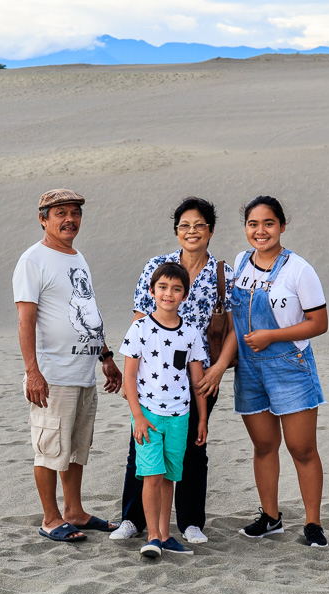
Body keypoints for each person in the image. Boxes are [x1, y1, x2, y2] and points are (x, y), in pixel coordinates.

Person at [110, 196, 236, 544]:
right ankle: (132, 519)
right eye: (184, 225)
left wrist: (220, 369)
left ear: (210, 230)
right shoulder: (158, 265)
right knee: (142, 444)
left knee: (194, 447)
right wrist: (131, 374)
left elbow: (236, 327)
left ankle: (191, 522)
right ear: (176, 230)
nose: (191, 231)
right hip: (153, 378)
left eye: (199, 225)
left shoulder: (223, 274)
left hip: (200, 378)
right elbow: (139, 317)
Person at [216, 195, 329, 547]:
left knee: (301, 448)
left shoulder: (299, 269)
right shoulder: (240, 263)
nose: (260, 231)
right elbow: (234, 321)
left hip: (288, 367)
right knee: (264, 445)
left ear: (282, 225)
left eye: (268, 223)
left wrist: (272, 336)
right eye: (253, 224)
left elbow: (319, 323)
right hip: (249, 369)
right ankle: (270, 516)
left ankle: (312, 523)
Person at [12, 188, 122, 543]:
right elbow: (25, 321)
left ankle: (74, 510)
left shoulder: (77, 257)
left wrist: (106, 358)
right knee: (49, 448)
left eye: (75, 212)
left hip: (83, 372)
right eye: (60, 213)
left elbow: (88, 311)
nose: (69, 219)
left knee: (77, 447)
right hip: (52, 374)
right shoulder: (33, 260)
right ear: (43, 219)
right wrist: (33, 372)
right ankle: (50, 518)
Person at [119, 262, 208, 557]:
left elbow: (197, 381)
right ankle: (153, 536)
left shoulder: (191, 333)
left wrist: (202, 418)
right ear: (151, 291)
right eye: (163, 288)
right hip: (149, 416)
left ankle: (166, 534)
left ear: (185, 295)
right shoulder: (140, 328)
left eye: (176, 289)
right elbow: (128, 377)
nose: (168, 294)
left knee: (170, 476)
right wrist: (138, 417)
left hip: (180, 416)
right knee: (151, 475)